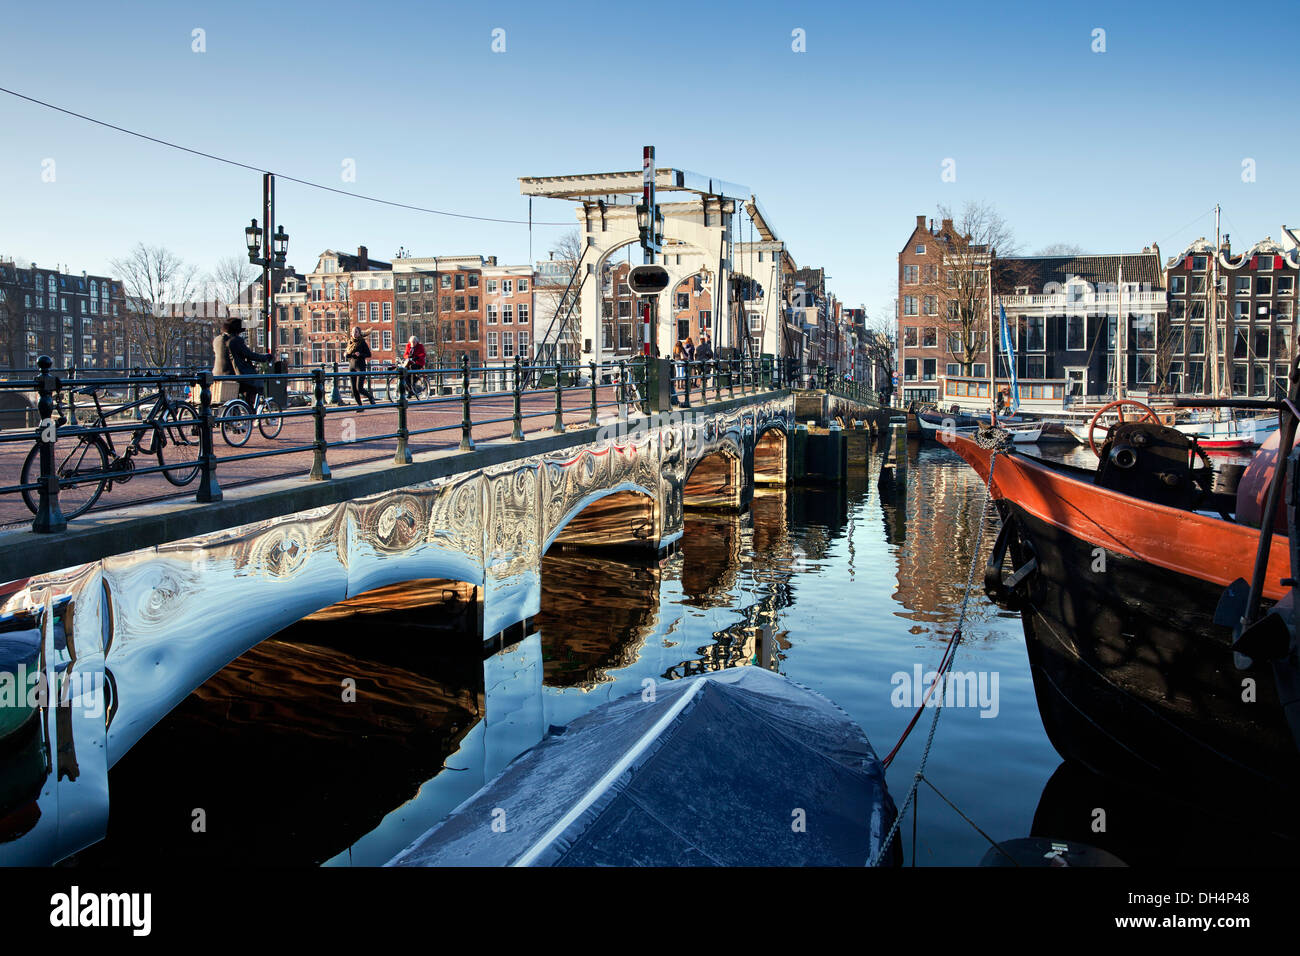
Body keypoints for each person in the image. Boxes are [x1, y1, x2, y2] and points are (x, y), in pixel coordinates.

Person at [212, 317, 272, 407]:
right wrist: (265, 357)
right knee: (257, 383)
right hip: (234, 376)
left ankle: (240, 407)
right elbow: (249, 355)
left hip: (218, 375)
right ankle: (250, 408)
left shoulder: (217, 340)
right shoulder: (235, 340)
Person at [346, 326, 375, 405]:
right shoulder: (350, 342)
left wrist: (360, 354)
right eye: (353, 332)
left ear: (359, 333)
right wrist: (346, 354)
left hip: (360, 366)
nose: (354, 333)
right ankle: (359, 405)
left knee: (359, 388)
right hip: (352, 366)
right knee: (353, 389)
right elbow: (349, 354)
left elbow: (369, 354)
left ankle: (370, 397)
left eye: (356, 332)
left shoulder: (362, 342)